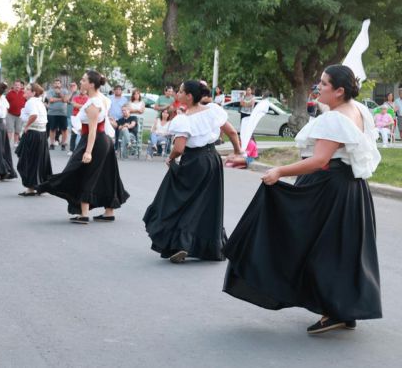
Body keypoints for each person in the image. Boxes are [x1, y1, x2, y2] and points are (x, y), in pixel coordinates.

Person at [223, 65, 382, 335]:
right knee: (339, 248)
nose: (318, 86)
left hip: (328, 188)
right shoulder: (357, 109)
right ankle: (341, 310)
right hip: (350, 188)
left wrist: (279, 171)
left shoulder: (335, 119)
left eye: (324, 83)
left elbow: (319, 160)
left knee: (312, 246)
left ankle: (336, 310)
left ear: (339, 91)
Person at [142, 80, 242, 263]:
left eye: (180, 92)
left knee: (176, 199)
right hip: (213, 160)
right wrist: (237, 152)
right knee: (207, 202)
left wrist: (171, 158)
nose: (177, 94)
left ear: (189, 96)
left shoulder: (183, 119)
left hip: (194, 161)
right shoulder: (212, 110)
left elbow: (179, 148)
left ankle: (182, 243)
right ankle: (209, 245)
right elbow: (232, 132)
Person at [37, 71, 129, 224]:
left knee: (84, 172)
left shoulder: (93, 103)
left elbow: (93, 130)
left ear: (91, 84)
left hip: (94, 140)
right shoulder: (102, 99)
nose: (81, 82)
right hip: (103, 139)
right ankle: (109, 211)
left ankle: (84, 213)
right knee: (106, 175)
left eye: (84, 80)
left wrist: (88, 152)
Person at [16, 83, 51, 196]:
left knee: (26, 161)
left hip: (33, 133)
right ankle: (37, 186)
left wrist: (26, 126)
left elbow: (34, 115)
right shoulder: (39, 102)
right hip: (41, 134)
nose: (24, 91)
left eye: (27, 89)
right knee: (37, 161)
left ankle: (32, 187)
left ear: (33, 92)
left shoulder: (31, 102)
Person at [46, 79, 69, 150]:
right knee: (52, 129)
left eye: (58, 83)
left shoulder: (65, 91)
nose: (57, 85)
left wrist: (59, 94)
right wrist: (60, 99)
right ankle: (52, 144)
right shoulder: (49, 91)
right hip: (52, 113)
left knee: (64, 129)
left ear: (60, 84)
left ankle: (63, 144)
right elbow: (51, 100)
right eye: (55, 83)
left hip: (63, 113)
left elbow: (65, 100)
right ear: (53, 84)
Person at [68, 82, 89, 154]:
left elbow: (88, 107)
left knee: (83, 134)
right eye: (81, 89)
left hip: (84, 118)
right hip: (75, 117)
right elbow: (74, 105)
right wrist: (83, 106)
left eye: (84, 90)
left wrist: (79, 105)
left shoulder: (88, 98)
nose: (82, 91)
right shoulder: (75, 97)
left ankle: (81, 149)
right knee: (74, 133)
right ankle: (71, 149)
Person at [5, 80, 26, 145]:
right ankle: (7, 144)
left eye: (18, 85)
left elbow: (27, 103)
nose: (17, 86)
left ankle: (15, 143)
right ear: (13, 86)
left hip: (20, 115)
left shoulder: (24, 93)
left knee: (17, 130)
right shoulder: (9, 94)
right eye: (16, 85)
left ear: (21, 86)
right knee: (9, 130)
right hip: (10, 114)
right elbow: (5, 103)